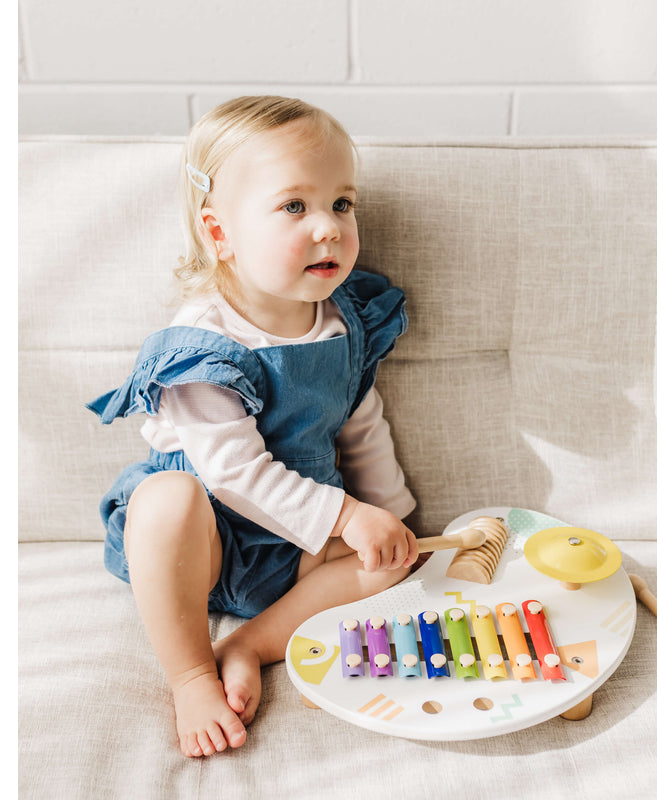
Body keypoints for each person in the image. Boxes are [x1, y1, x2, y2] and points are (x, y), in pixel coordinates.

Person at [87, 96, 418, 758]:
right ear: (220, 235)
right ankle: (189, 675)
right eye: (294, 207)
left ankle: (250, 643)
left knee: (392, 562)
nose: (327, 227)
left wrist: (389, 515)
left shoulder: (342, 322)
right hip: (201, 548)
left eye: (341, 203)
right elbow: (233, 475)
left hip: (295, 550)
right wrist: (347, 514)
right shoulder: (202, 345)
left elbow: (359, 423)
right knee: (167, 500)